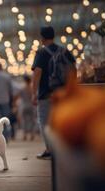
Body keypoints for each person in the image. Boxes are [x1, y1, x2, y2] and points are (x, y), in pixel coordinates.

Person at [32, 26, 75, 159]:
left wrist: (34, 93)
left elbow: (37, 73)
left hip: (46, 94)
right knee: (62, 120)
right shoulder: (64, 51)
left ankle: (51, 150)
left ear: (42, 38)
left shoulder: (41, 53)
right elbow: (73, 70)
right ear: (53, 36)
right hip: (63, 94)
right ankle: (63, 149)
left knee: (45, 123)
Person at [19, 76, 36, 141]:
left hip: (24, 106)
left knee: (24, 121)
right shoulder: (32, 88)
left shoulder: (22, 88)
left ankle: (24, 135)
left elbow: (18, 96)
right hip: (31, 106)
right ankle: (32, 134)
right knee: (32, 121)